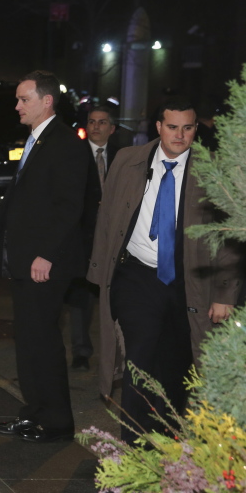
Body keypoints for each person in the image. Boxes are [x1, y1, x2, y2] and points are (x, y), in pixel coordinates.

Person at [88, 100, 241, 444]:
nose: (180, 135)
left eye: (188, 128)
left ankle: (167, 444)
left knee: (176, 366)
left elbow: (229, 239)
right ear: (158, 127)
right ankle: (132, 444)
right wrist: (100, 273)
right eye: (172, 127)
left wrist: (224, 294)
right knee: (139, 360)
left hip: (188, 283)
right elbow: (107, 219)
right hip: (137, 275)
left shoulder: (211, 171)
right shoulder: (128, 161)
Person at [0, 70, 92, 444]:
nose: (17, 106)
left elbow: (69, 207)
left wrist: (45, 254)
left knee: (43, 341)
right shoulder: (37, 139)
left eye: (23, 99)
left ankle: (57, 421)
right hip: (25, 259)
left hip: (43, 262)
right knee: (30, 339)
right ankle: (33, 413)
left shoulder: (65, 143)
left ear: (46, 101)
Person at [65, 106, 121, 371]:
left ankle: (120, 351)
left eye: (102, 122)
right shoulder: (74, 154)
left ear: (112, 127)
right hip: (83, 236)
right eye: (92, 122)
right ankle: (81, 351)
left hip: (114, 237)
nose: (96, 126)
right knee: (81, 297)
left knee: (117, 296)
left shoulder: (124, 156)